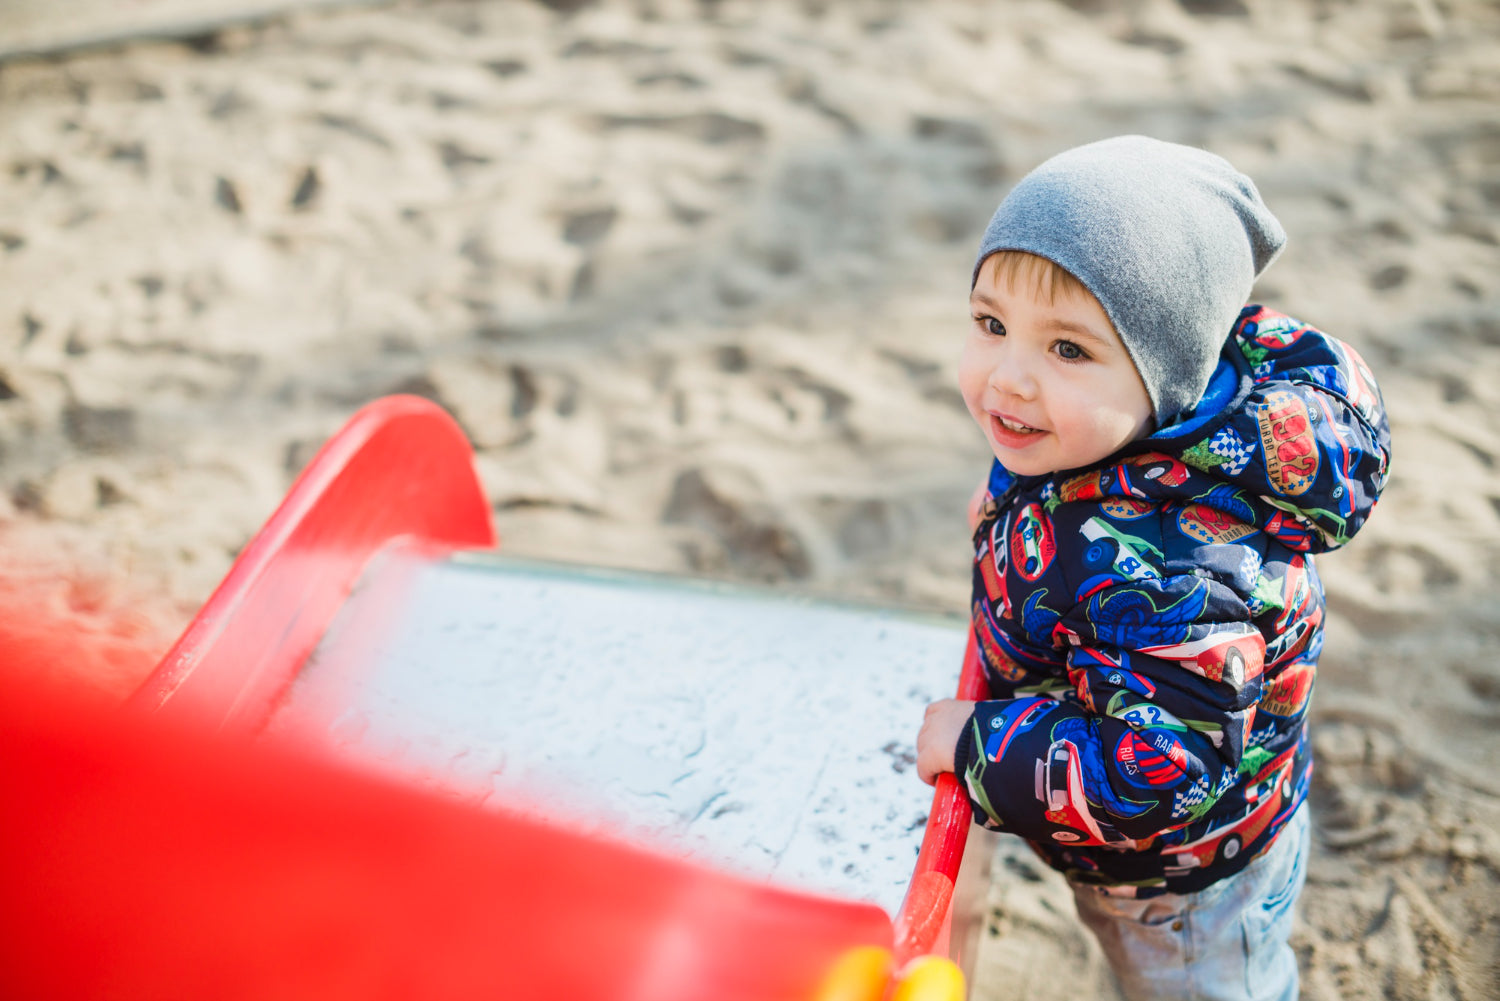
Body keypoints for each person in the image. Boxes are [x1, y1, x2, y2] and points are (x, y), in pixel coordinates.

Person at [914, 136, 1391, 1001]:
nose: (1007, 378)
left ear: (1167, 373)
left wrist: (980, 747)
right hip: (1171, 829)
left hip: (1185, 889)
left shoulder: (1180, 571)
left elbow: (1153, 772)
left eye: (1068, 350)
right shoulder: (1093, 435)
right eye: (991, 325)